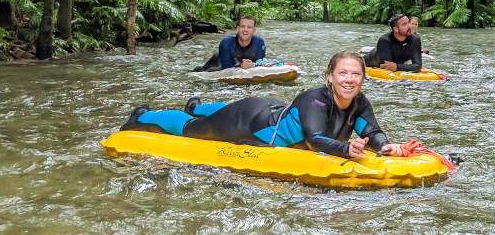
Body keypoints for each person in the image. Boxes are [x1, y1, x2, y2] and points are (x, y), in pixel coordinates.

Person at [121, 51, 401, 159]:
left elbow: (371, 132)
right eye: (343, 73)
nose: (349, 80)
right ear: (330, 76)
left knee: (213, 112)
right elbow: (315, 139)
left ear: (363, 78)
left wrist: (385, 145)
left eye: (356, 74)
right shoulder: (315, 98)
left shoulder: (360, 103)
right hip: (251, 123)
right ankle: (145, 116)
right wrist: (346, 149)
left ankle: (196, 105)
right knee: (193, 129)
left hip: (271, 108)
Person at [193, 15, 265, 72]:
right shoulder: (226, 42)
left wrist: (253, 65)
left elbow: (260, 63)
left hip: (238, 64)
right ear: (237, 29)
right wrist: (242, 66)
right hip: (215, 66)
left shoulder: (259, 42)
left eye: (249, 27)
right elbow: (227, 68)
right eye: (243, 26)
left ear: (254, 30)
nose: (245, 30)